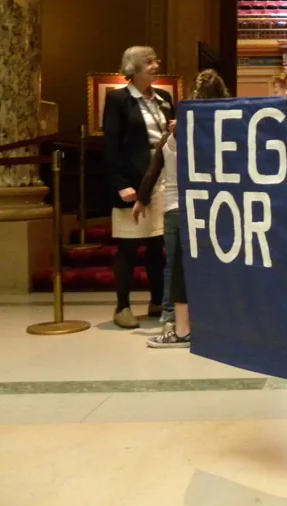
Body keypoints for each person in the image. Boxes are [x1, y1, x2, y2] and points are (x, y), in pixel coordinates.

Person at [134, 69, 232, 348]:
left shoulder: (175, 133)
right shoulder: (224, 131)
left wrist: (141, 199)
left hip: (177, 207)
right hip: (212, 208)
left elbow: (154, 169)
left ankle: (173, 320)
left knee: (176, 268)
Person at [103, 46, 175, 329]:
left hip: (163, 179)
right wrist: (121, 185)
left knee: (158, 245)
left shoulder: (164, 98)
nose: (156, 65)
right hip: (133, 182)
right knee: (129, 247)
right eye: (149, 62)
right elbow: (111, 147)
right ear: (133, 68)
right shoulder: (118, 99)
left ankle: (157, 300)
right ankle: (122, 307)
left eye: (156, 60)